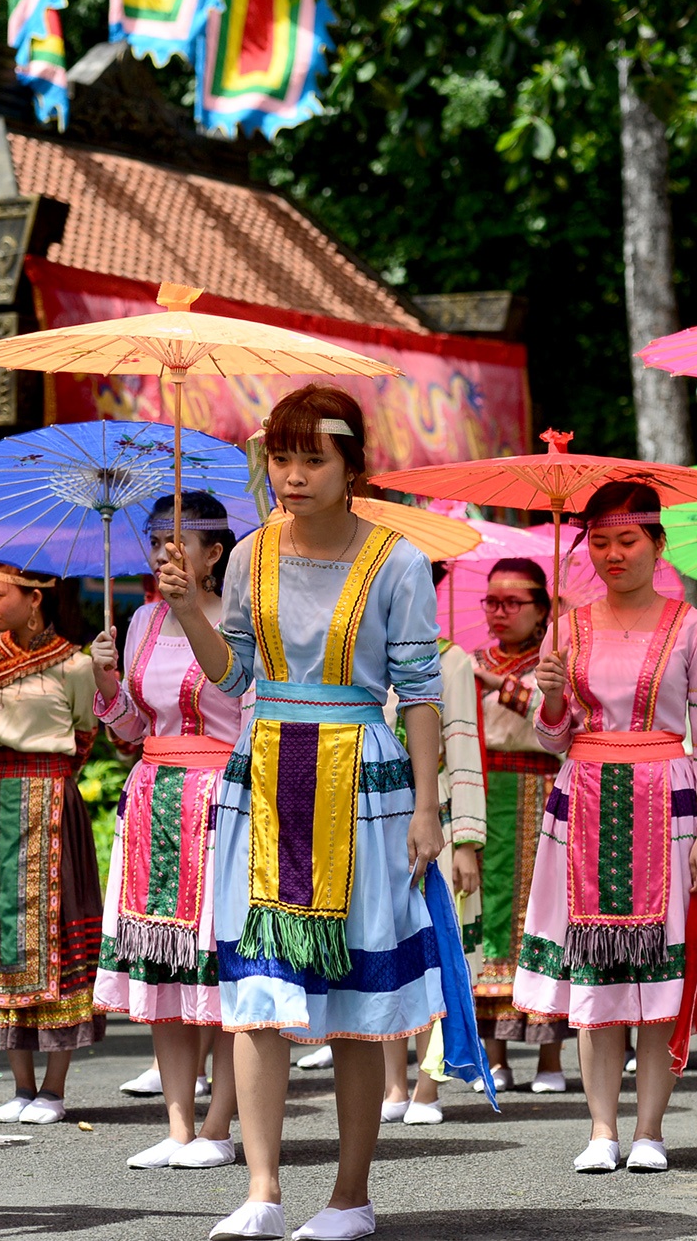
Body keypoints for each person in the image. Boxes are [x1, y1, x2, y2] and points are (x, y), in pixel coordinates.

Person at [164, 383, 445, 1241]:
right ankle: (260, 1188)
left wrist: (430, 808)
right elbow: (234, 675)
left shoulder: (396, 561)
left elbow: (423, 693)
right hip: (267, 778)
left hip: (363, 780)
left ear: (352, 464)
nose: (292, 474)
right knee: (257, 990)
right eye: (281, 457)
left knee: (361, 1001)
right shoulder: (248, 554)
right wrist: (186, 608)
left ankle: (351, 1197)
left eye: (312, 457)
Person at [516, 481, 697, 1175]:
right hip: (582, 802)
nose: (613, 554)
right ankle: (601, 1128)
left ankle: (649, 1129)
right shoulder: (567, 627)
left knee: (657, 973)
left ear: (657, 543)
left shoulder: (696, 629)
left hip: (666, 804)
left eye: (628, 539)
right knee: (596, 973)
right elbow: (553, 738)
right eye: (600, 541)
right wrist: (550, 693)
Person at [92, 491, 244, 1168]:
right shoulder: (143, 620)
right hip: (152, 799)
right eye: (157, 539)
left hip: (222, 803)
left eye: (181, 540)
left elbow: (249, 710)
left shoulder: (241, 621)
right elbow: (129, 731)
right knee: (164, 967)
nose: (164, 551)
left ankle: (219, 1125)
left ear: (215, 553)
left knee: (228, 969)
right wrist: (106, 685)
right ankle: (179, 1124)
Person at [0, 562, 104, 1124]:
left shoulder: (75, 664)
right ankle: (20, 1084)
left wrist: (50, 783)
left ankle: (55, 1090)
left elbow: (85, 738)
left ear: (35, 598)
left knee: (55, 934)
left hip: (50, 806)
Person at [381, 578, 485, 1126]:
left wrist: (467, 838)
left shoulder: (453, 661)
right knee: (382, 941)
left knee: (434, 946)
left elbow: (464, 745)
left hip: (432, 814)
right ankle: (392, 1082)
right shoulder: (357, 654)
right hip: (372, 812)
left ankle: (428, 1083)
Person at [471, 556, 567, 1093]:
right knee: (490, 916)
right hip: (486, 793)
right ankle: (495, 1054)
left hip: (542, 790)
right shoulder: (471, 661)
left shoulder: (556, 661)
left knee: (544, 914)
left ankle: (551, 1059)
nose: (500, 613)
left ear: (541, 609)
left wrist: (503, 686)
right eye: (492, 601)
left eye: (513, 602)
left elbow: (562, 722)